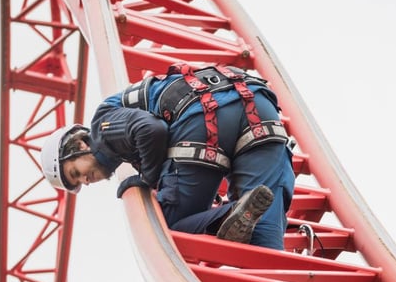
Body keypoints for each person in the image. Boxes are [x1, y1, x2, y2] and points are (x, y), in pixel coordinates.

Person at [40, 63, 296, 250]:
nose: (85, 180)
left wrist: (149, 180)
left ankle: (231, 213)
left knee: (165, 227)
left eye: (75, 172)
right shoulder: (122, 133)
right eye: (78, 183)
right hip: (257, 105)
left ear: (80, 143)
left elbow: (151, 129)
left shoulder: (102, 126)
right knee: (265, 243)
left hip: (203, 119)